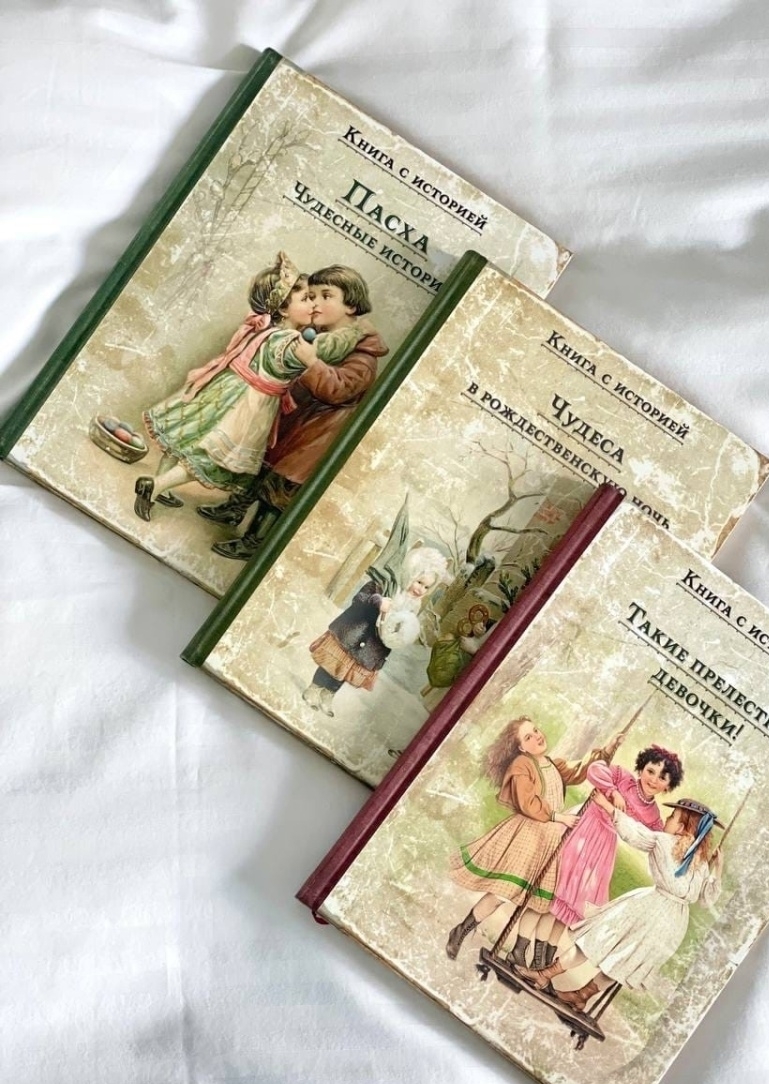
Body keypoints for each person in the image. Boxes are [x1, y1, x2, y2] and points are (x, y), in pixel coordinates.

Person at [134, 254, 368, 521]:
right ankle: (156, 485)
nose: (314, 305)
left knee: (187, 436)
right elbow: (327, 349)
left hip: (226, 391)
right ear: (283, 310)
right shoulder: (291, 342)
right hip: (249, 407)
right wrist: (354, 331)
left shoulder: (268, 330)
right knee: (214, 458)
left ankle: (160, 482)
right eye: (306, 299)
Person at [209, 264, 388, 559]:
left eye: (326, 296)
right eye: (312, 295)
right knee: (259, 468)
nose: (315, 302)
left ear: (351, 305)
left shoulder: (363, 353)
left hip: (317, 433)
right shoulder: (315, 334)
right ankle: (233, 509)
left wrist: (312, 363)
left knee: (280, 487)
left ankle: (254, 542)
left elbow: (340, 389)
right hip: (293, 419)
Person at [518, 797, 724, 1014]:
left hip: (653, 912)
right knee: (623, 953)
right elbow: (705, 899)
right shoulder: (696, 861)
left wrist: (609, 808)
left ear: (682, 827)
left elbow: (634, 833)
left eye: (673, 817)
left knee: (606, 941)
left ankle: (562, 984)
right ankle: (572, 991)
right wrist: (716, 870)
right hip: (669, 920)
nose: (667, 819)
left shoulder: (669, 845)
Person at [446, 717, 620, 970]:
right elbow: (527, 802)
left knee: (539, 901)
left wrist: (607, 751)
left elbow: (580, 771)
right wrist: (557, 817)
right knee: (502, 892)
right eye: (528, 737)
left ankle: (518, 952)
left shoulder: (552, 764)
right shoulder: (522, 765)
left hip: (550, 841)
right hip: (528, 835)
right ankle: (461, 930)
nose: (537, 736)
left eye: (536, 731)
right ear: (521, 747)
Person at [301, 545, 449, 717]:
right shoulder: (387, 585)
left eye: (426, 587)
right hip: (354, 634)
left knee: (347, 672)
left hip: (372, 647)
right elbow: (361, 598)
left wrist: (402, 633)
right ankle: (314, 688)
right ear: (410, 574)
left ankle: (328, 694)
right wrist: (378, 601)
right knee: (333, 665)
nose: (420, 589)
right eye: (419, 582)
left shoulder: (413, 604)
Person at [550, 745, 683, 927]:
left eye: (662, 778)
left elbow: (659, 838)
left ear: (668, 785)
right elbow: (595, 769)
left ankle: (550, 939)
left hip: (603, 846)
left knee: (580, 893)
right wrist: (613, 791)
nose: (653, 780)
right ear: (641, 768)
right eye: (650, 771)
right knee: (559, 875)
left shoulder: (652, 814)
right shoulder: (623, 778)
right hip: (583, 825)